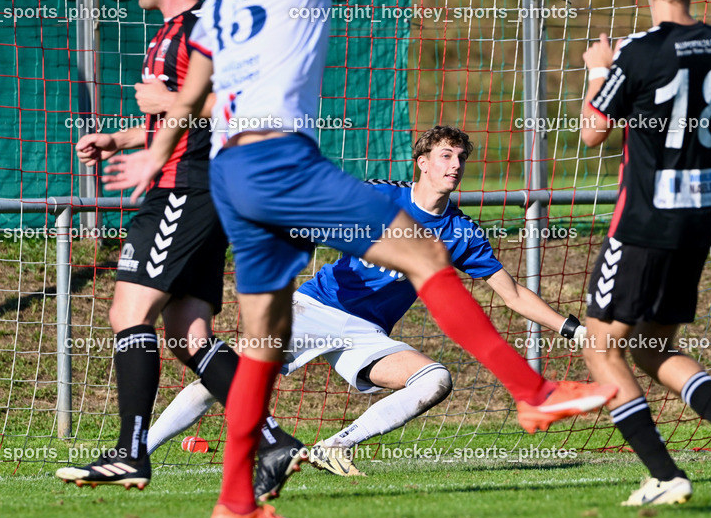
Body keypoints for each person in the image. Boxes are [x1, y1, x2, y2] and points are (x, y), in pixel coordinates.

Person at [104, 0, 617, 518]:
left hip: (229, 176)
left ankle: (235, 500)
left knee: (263, 337)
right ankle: (533, 390)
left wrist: (150, 151)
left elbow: (195, 84)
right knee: (428, 253)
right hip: (279, 161)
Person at [141, 126, 589, 477]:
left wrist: (574, 329)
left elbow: (511, 296)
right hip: (314, 310)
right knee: (226, 377)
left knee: (435, 380)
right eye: (445, 156)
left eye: (460, 158)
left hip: (367, 335)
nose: (454, 166)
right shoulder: (381, 195)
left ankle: (335, 445)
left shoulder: (461, 232)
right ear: (422, 164)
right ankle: (137, 451)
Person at [55, 0, 301, 491]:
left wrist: (166, 102)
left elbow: (243, 110)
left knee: (127, 315)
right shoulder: (168, 32)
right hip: (193, 187)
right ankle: (273, 443)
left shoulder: (199, 29)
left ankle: (130, 454)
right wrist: (121, 138)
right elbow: (176, 118)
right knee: (189, 336)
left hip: (186, 188)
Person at [580, 0, 711, 506]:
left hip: (643, 220)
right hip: (696, 221)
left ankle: (665, 473)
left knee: (597, 341)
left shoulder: (638, 51)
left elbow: (591, 133)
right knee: (651, 346)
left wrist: (597, 69)